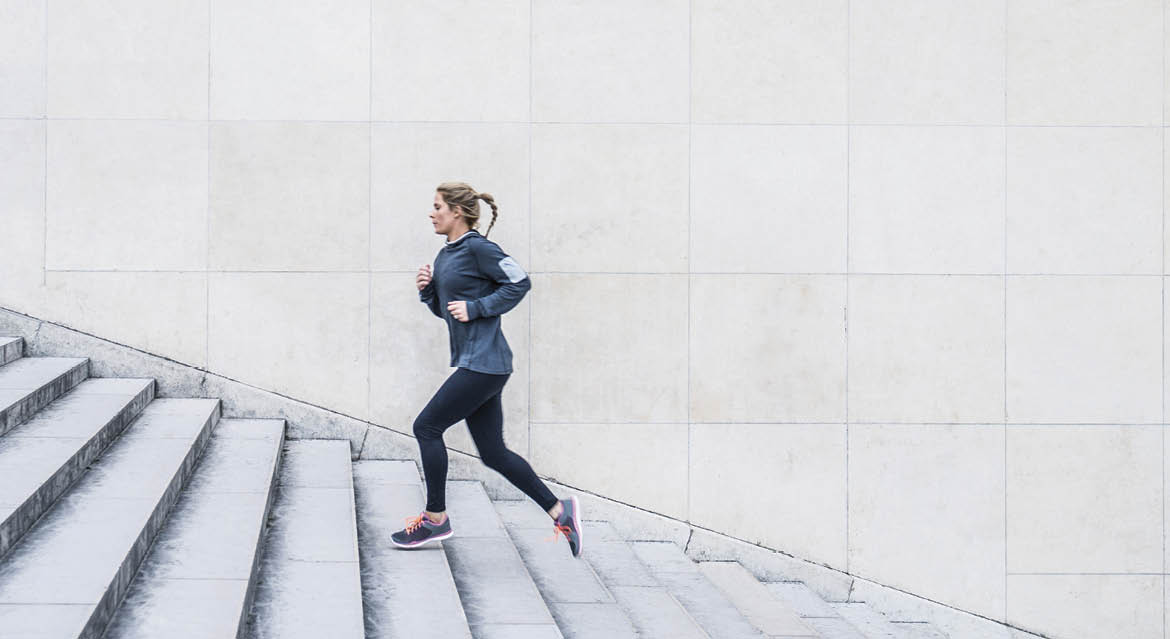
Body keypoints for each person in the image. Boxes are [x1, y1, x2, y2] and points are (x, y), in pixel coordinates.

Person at [390, 181, 582, 558]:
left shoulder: (479, 248)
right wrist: (429, 292)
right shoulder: (447, 255)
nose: (431, 213)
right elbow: (448, 312)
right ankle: (560, 511)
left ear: (456, 213)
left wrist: (479, 308)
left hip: (484, 363)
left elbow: (520, 281)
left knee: (426, 427)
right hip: (480, 364)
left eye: (437, 207)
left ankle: (435, 518)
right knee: (493, 453)